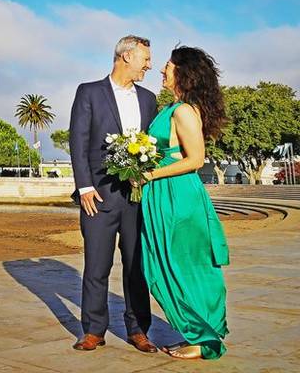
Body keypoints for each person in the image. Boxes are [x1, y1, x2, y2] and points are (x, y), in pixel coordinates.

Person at [69, 35, 159, 353]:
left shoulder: (149, 99)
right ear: (125, 57)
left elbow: (155, 146)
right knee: (97, 266)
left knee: (137, 266)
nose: (149, 64)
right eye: (145, 58)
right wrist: (85, 187)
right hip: (99, 197)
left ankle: (138, 330)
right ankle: (94, 330)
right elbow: (78, 142)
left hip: (138, 198)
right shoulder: (89, 92)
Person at [139, 46, 229, 359]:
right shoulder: (170, 107)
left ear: (182, 72)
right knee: (165, 264)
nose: (161, 70)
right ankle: (194, 332)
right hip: (162, 194)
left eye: (166, 66)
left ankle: (204, 339)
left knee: (188, 265)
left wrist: (150, 173)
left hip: (179, 195)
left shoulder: (184, 111)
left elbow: (196, 159)